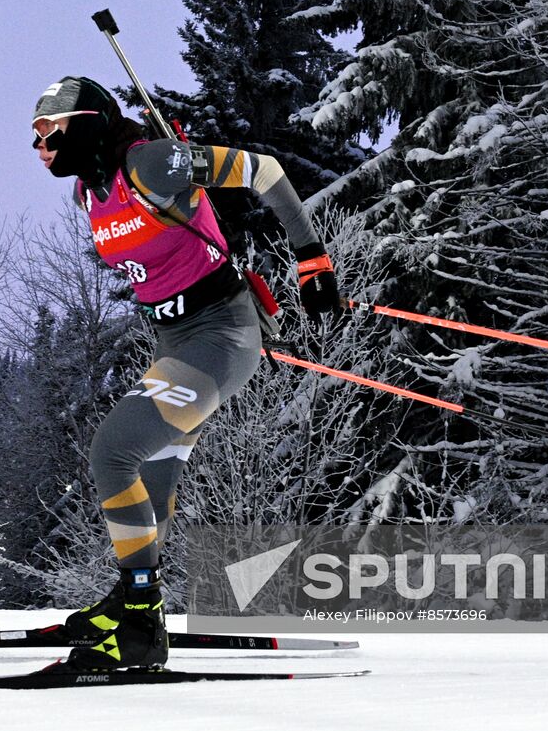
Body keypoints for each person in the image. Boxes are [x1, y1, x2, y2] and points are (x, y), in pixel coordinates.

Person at [32, 76, 342, 671]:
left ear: (90, 122)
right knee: (151, 474)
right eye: (34, 135)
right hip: (175, 341)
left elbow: (267, 171)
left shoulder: (150, 163)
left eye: (50, 130)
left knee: (113, 454)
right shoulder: (90, 192)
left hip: (220, 335)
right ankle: (132, 598)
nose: (40, 145)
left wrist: (311, 255)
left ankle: (144, 625)